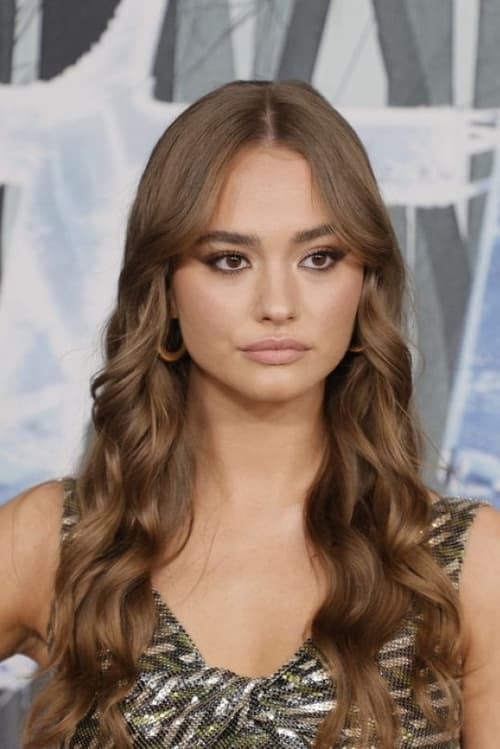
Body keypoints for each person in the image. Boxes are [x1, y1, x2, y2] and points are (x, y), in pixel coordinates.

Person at [0, 79, 499, 749]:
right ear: (166, 288)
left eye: (319, 258)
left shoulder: (464, 565)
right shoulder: (58, 541)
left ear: (364, 284)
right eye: (230, 260)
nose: (278, 304)